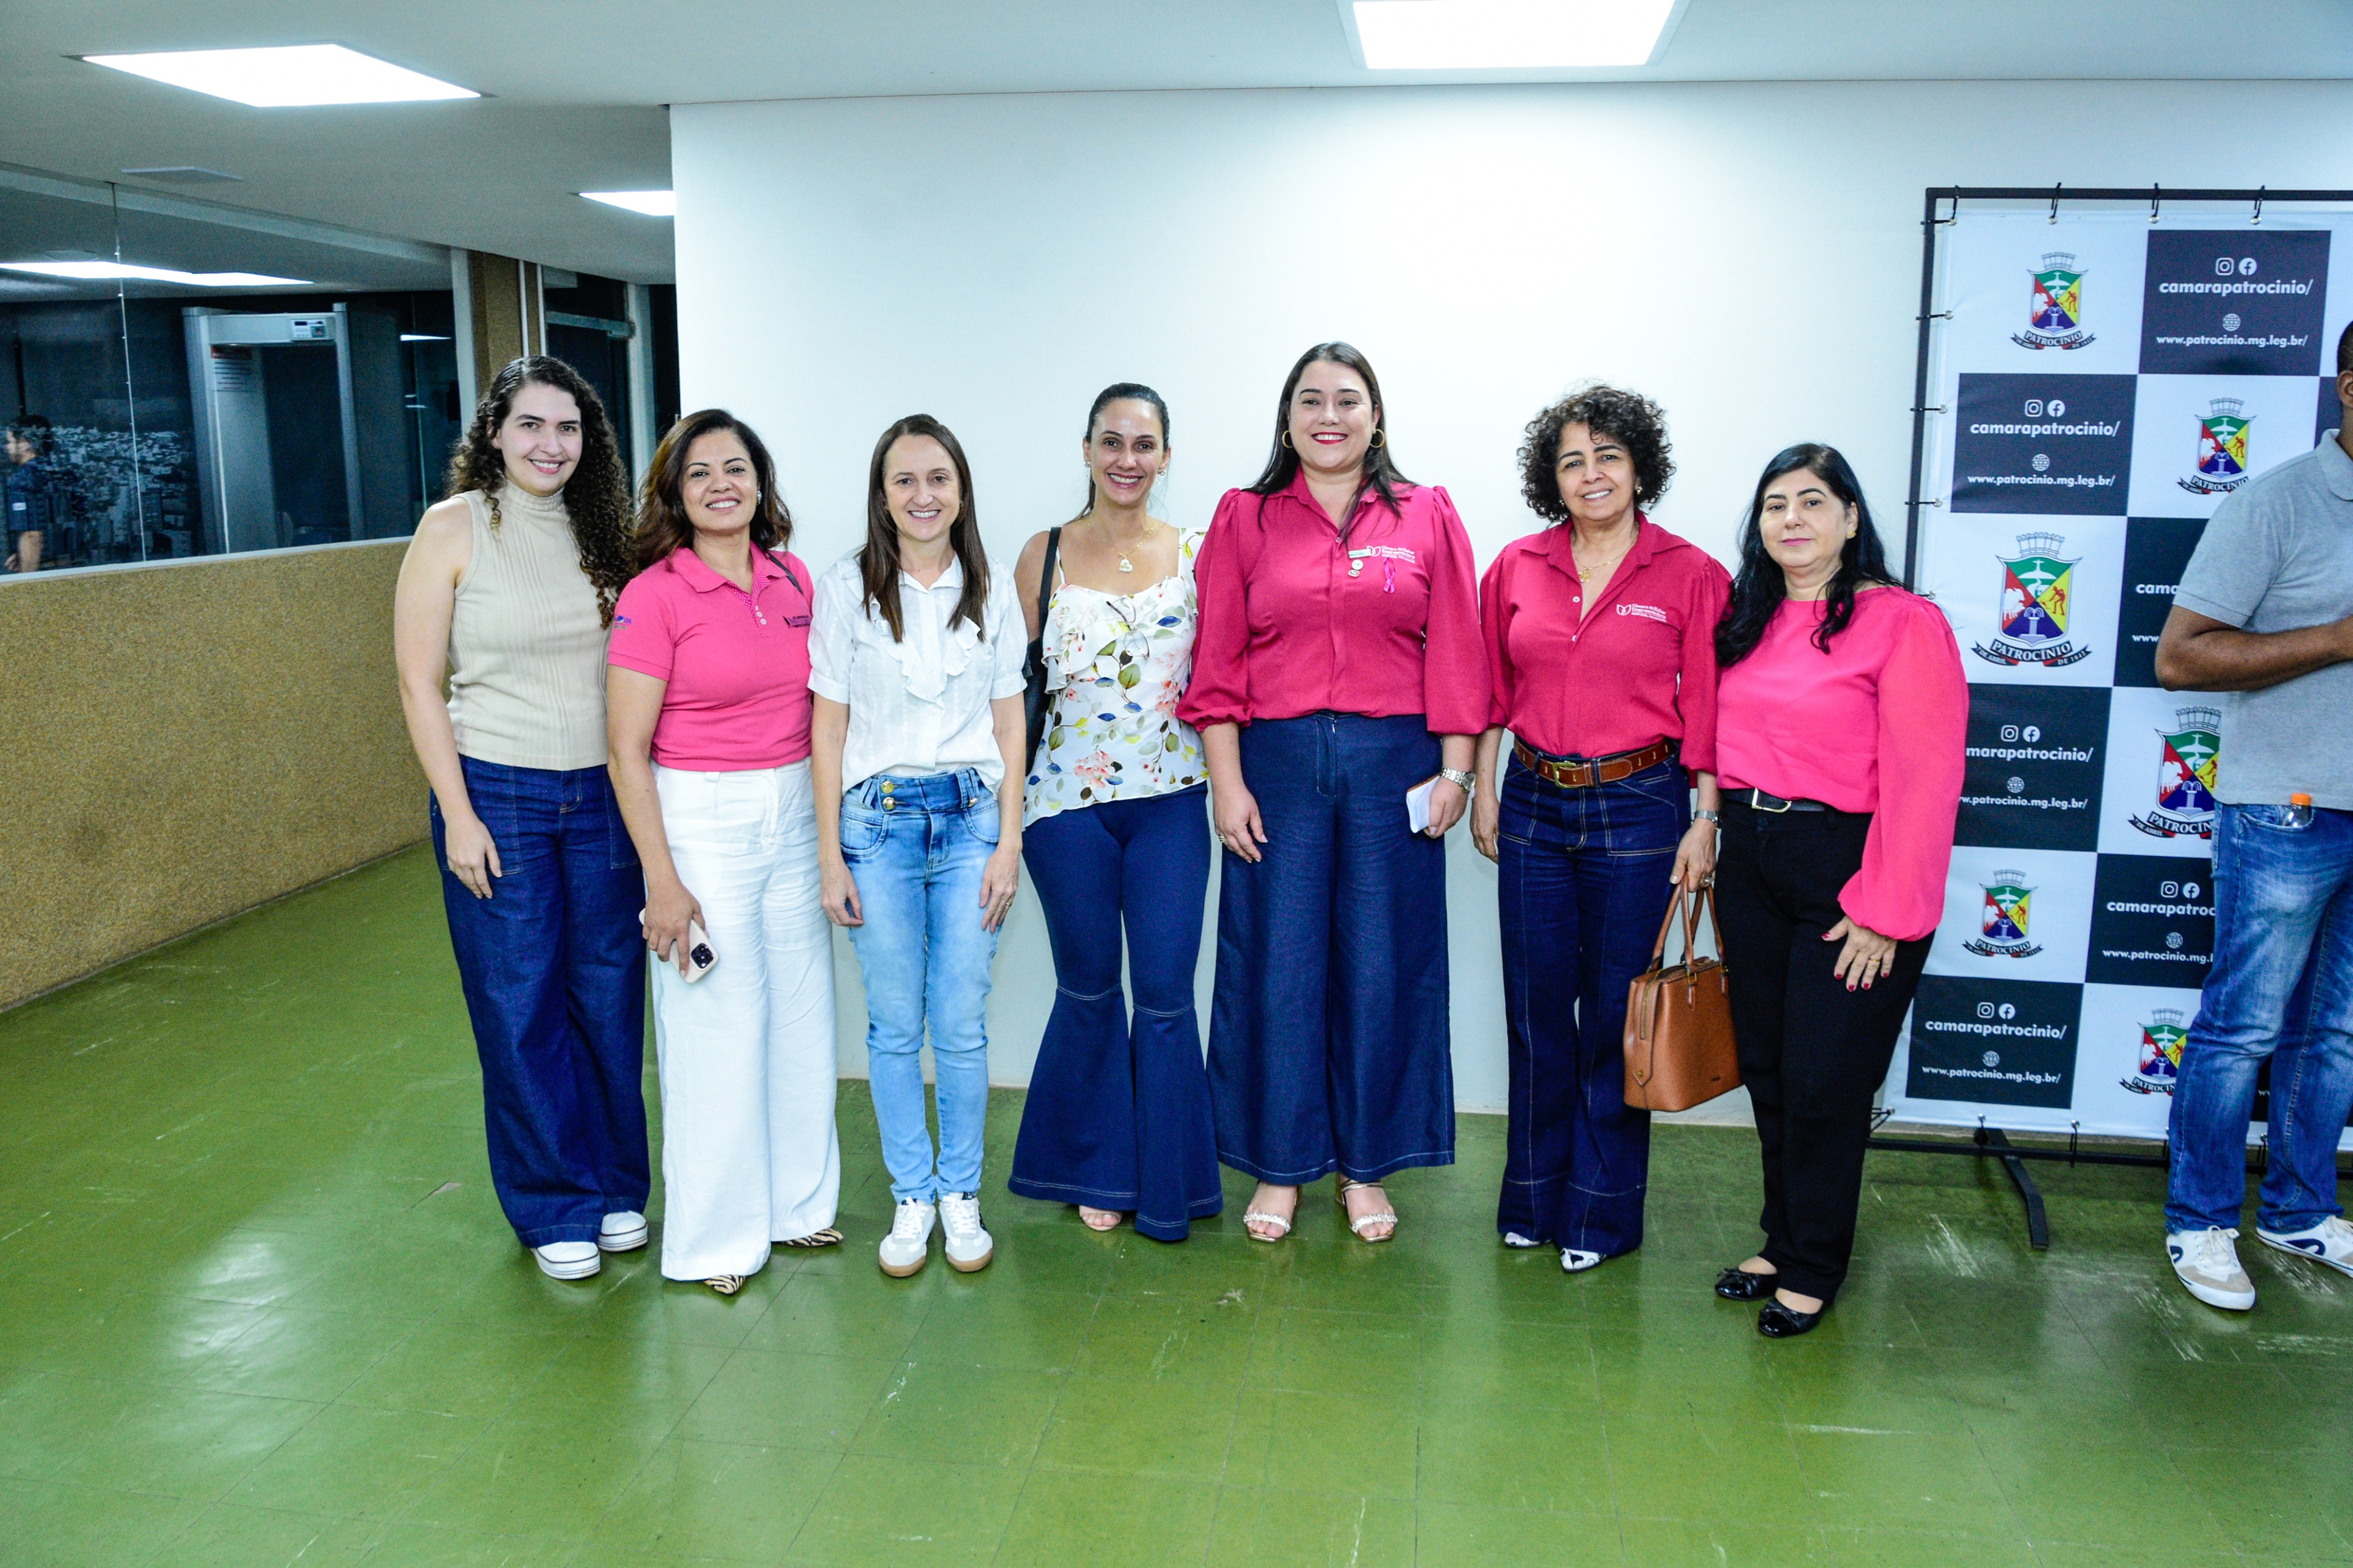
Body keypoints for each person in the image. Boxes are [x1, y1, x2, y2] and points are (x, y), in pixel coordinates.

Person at [1179, 342, 1488, 1245]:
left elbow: (1458, 649)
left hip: (1395, 766)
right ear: (1287, 420)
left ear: (1375, 417)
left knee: (1382, 965)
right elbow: (1216, 660)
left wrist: (1457, 773)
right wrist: (1226, 783)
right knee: (1275, 965)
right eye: (1310, 400)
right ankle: (1279, 1165)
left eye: (1347, 400)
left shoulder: (1426, 513)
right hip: (1276, 766)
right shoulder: (1245, 516)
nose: (1329, 415)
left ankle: (1366, 1165)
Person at [391, 357, 648, 1281]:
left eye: (568, 428)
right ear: (494, 432)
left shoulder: (606, 532)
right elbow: (419, 684)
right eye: (532, 425)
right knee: (518, 1003)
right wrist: (458, 814)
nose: (551, 444)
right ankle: (553, 1203)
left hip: (604, 796)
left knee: (609, 998)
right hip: (498, 793)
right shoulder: (452, 527)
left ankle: (616, 1187)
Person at [1471, 386, 1729, 1273]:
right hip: (1532, 800)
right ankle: (1531, 1198)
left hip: (1642, 804)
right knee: (1536, 1010)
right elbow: (1491, 690)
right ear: (1551, 478)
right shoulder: (1516, 566)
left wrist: (1705, 817)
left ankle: (1600, 1212)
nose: (1591, 474)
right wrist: (1482, 788)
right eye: (1572, 460)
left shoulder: (1691, 573)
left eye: (1608, 456)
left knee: (1620, 1017)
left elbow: (1709, 709)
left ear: (1639, 469)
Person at [1709, 443, 1965, 1337]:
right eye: (1775, 504)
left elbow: (1926, 778)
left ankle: (1815, 1265)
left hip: (1849, 867)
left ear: (1851, 518)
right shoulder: (1747, 619)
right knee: (1770, 1068)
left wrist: (1884, 912)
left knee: (1825, 1078)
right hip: (1750, 853)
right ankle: (1783, 1240)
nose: (1792, 519)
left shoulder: (1903, 622)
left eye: (1813, 501)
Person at [606, 409, 840, 1296]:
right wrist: (661, 881)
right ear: (675, 493)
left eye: (735, 467)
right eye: (699, 473)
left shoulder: (792, 577)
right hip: (701, 819)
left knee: (800, 1012)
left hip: (793, 808)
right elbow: (626, 749)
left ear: (759, 481)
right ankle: (713, 1243)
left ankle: (796, 1207)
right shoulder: (654, 594)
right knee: (716, 1026)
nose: (720, 485)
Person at [2154, 322, 2353, 1313]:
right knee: (2240, 1030)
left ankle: (2300, 1211)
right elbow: (2180, 656)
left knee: (2339, 1033)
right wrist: (2340, 638)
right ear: (2349, 387)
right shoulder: (2277, 501)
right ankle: (2198, 1222)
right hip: (2287, 810)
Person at [811, 414, 1028, 1278]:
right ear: (882, 495)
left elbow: (1010, 720)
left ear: (961, 492)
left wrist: (1009, 842)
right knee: (896, 1024)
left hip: (972, 821)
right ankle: (912, 1195)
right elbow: (828, 728)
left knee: (961, 1023)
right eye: (904, 480)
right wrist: (829, 853)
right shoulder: (846, 588)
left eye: (938, 478)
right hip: (877, 827)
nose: (922, 495)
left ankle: (959, 1193)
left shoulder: (992, 586)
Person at [1008, 383, 1219, 1241]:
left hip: (1171, 802)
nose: (1126, 459)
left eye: (1143, 444)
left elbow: (1225, 680)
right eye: (1111, 442)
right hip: (1064, 810)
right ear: (1087, 449)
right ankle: (1095, 1168)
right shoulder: (1044, 553)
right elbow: (1009, 697)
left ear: (1165, 456)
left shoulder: (1200, 551)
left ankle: (1167, 1183)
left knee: (1165, 995)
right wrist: (1004, 817)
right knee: (1090, 985)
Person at [5, 416, 56, 573]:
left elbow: (32, 537)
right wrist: (22, 555)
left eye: (10, 442)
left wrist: (26, 576)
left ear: (25, 444)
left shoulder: (22, 480)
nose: (7, 447)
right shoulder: (55, 472)